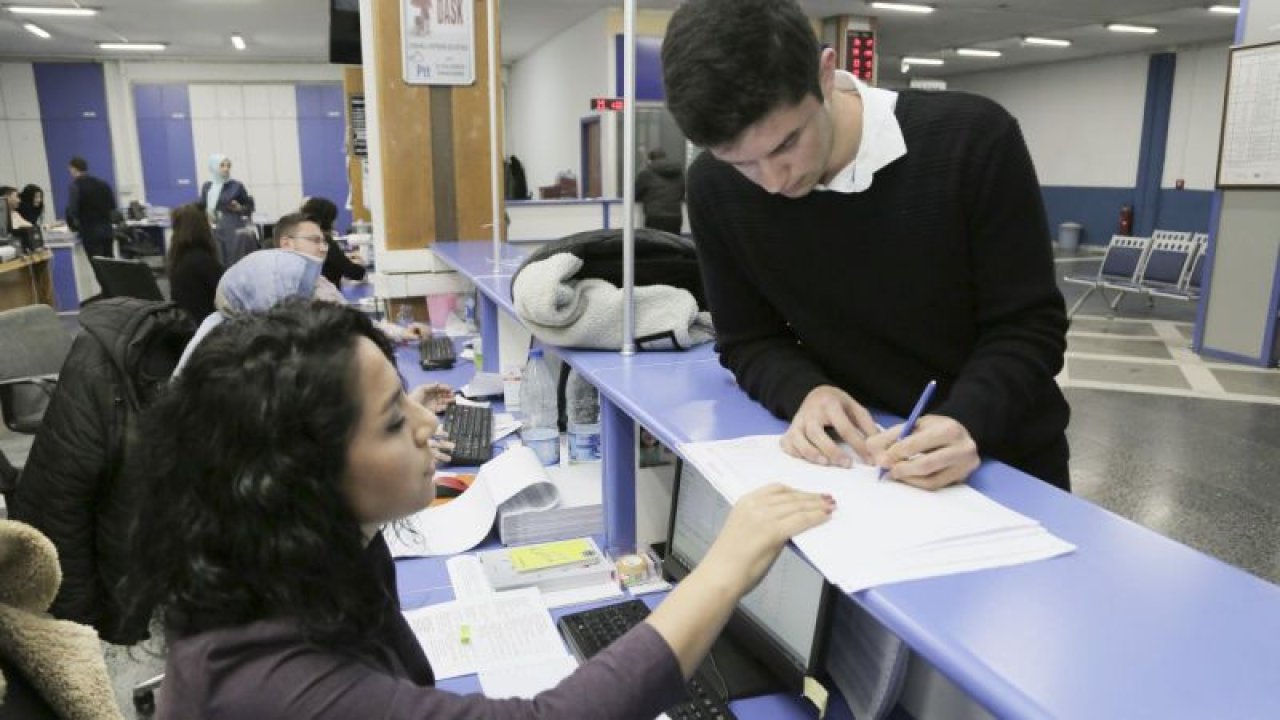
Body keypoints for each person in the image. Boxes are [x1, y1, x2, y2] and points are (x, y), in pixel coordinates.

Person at [125, 299, 833, 718]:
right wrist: (723, 570)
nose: (429, 424)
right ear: (301, 479)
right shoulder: (267, 686)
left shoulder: (300, 560)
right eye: (394, 423)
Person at [662, 0, 1070, 491]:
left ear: (826, 74)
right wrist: (805, 392)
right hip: (858, 474)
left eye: (786, 144)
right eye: (740, 162)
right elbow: (748, 340)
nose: (771, 182)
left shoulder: (973, 140)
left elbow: (1029, 327)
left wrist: (969, 420)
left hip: (1001, 461)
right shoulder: (712, 188)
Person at [165, 203, 224, 323]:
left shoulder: (177, 260)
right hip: (209, 329)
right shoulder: (203, 261)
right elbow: (228, 296)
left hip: (187, 328)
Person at [199, 153, 256, 266]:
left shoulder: (236, 186)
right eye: (222, 165)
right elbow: (202, 207)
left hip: (232, 226)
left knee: (234, 259)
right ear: (214, 166)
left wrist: (240, 208)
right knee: (217, 259)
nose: (226, 169)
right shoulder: (207, 186)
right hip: (213, 227)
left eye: (228, 166)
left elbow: (249, 207)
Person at [299, 195, 368, 286]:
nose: (335, 222)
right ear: (327, 220)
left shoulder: (300, 238)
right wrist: (361, 265)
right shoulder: (324, 240)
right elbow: (355, 273)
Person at [66, 156, 118, 258]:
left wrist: (74, 226)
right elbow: (113, 207)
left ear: (73, 169)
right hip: (107, 230)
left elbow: (73, 210)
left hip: (90, 232)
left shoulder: (75, 186)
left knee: (98, 265)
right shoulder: (103, 184)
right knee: (111, 264)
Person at [635, 149, 686, 234]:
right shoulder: (678, 173)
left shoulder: (646, 173)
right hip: (675, 216)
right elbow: (682, 191)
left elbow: (636, 194)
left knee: (655, 244)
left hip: (655, 216)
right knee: (674, 244)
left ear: (650, 160)